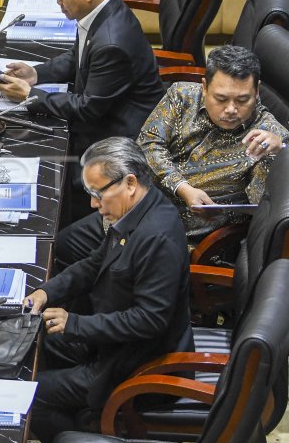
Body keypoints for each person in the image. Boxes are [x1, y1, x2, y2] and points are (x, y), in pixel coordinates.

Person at [25, 137, 192, 443]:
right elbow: (93, 264)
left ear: (129, 182)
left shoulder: (157, 237)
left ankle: (80, 434)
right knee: (32, 342)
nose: (93, 205)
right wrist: (47, 292)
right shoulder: (135, 212)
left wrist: (75, 323)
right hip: (111, 345)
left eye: (97, 194)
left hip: (137, 367)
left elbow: (150, 320)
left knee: (31, 396)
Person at [0, 0, 163, 224]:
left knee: (33, 163)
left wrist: (30, 96)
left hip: (118, 138)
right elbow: (78, 58)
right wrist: (36, 75)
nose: (58, 2)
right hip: (102, 115)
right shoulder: (100, 12)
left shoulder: (112, 42)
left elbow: (87, 109)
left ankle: (62, 232)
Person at [138, 45, 289, 241]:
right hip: (131, 207)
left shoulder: (269, 139)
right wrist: (183, 188)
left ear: (257, 91)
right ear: (204, 87)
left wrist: (280, 155)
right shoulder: (181, 96)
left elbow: (264, 210)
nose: (231, 109)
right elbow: (147, 144)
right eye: (221, 99)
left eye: (242, 100)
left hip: (176, 238)